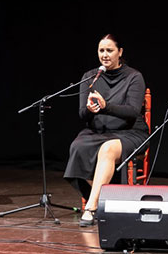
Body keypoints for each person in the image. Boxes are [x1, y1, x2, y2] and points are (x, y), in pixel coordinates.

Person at [64, 34, 149, 227]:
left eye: (109, 50)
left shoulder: (134, 77)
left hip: (130, 132)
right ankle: (108, 200)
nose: (105, 54)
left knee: (108, 149)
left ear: (120, 52)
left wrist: (106, 106)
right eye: (101, 50)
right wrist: (90, 109)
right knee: (77, 147)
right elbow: (82, 114)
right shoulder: (90, 77)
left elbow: (132, 111)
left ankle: (91, 207)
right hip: (98, 131)